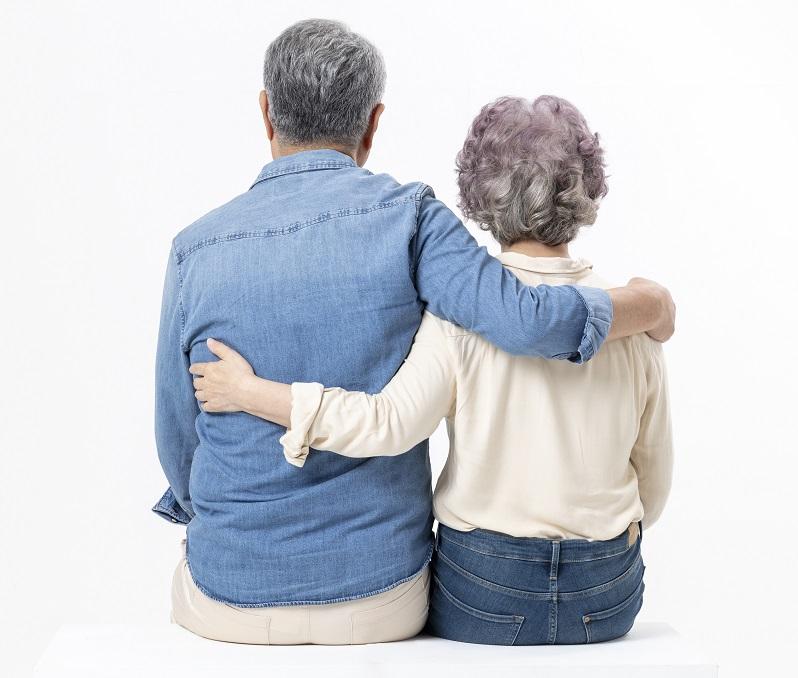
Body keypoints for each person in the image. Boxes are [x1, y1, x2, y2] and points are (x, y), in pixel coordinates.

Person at [153, 17, 675, 646]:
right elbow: (530, 321)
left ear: (266, 112)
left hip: (235, 592)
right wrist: (650, 305)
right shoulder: (412, 220)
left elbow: (179, 438)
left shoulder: (193, 249)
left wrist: (248, 407)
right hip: (392, 597)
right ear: (373, 123)